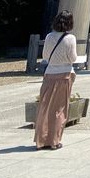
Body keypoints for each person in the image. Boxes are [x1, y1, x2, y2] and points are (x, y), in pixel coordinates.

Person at [34, 9, 77, 150]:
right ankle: (54, 140)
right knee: (59, 109)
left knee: (44, 108)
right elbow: (73, 58)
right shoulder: (70, 38)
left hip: (49, 74)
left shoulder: (49, 36)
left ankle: (41, 140)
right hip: (64, 74)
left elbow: (45, 55)